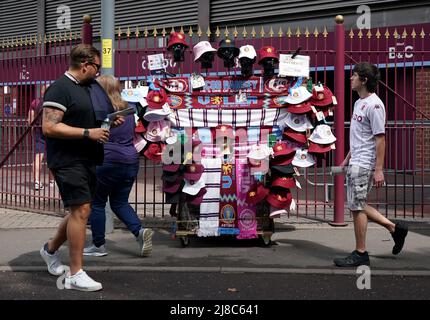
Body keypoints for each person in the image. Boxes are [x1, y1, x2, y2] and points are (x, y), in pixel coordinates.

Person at [39, 44, 124, 291]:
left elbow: (92, 121)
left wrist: (110, 122)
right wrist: (89, 132)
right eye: (96, 67)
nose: (98, 73)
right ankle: (75, 273)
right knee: (82, 209)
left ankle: (49, 249)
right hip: (67, 159)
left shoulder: (88, 88)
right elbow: (50, 127)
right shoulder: (59, 89)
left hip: (88, 158)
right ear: (85, 64)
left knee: (80, 209)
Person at [333, 62, 408, 267]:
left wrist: (379, 170)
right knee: (357, 205)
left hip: (365, 163)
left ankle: (361, 252)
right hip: (356, 160)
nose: (351, 78)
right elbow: (360, 136)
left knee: (357, 207)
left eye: (354, 75)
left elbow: (380, 139)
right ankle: (394, 228)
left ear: (364, 80)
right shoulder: (359, 102)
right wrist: (347, 158)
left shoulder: (375, 105)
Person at [83, 75, 154, 257]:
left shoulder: (100, 111)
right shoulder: (128, 110)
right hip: (130, 161)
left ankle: (98, 245)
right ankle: (139, 232)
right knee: (119, 202)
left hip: (107, 161)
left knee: (97, 203)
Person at [27, 84, 55, 190]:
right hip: (52, 132)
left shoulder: (36, 102)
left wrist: (32, 131)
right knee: (52, 157)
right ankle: (52, 181)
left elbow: (30, 120)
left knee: (38, 157)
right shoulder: (54, 104)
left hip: (39, 131)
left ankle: (37, 182)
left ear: (42, 91)